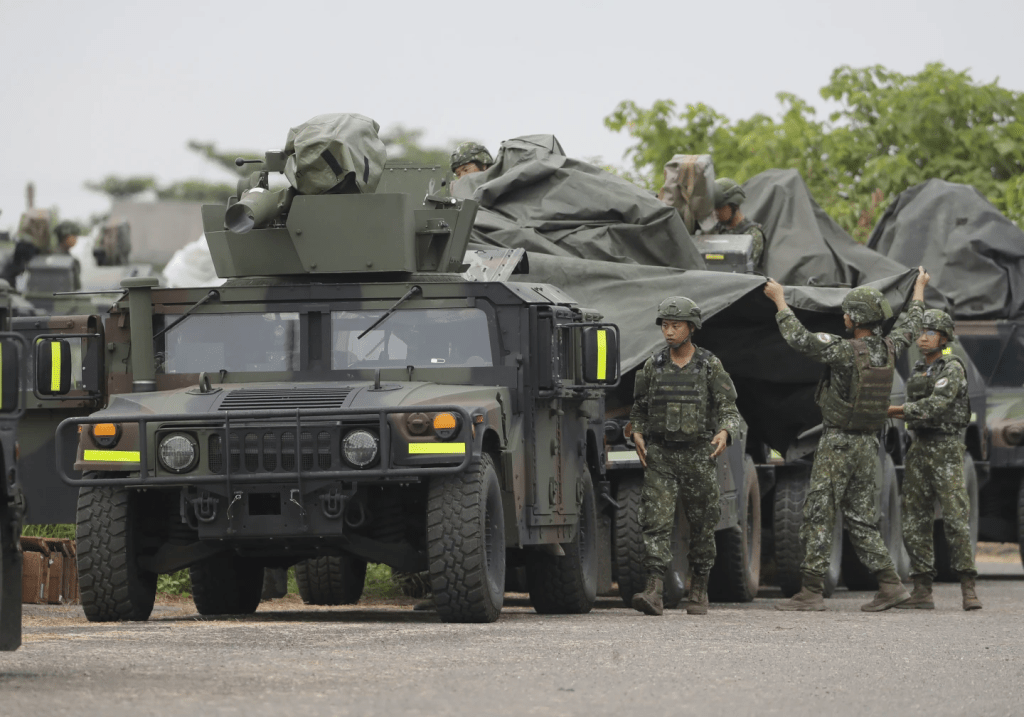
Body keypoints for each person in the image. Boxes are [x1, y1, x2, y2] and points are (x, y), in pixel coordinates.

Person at [765, 268, 929, 611]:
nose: (843, 317)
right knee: (859, 517)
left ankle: (810, 592)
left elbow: (801, 340)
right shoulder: (890, 347)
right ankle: (890, 584)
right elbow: (913, 324)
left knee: (818, 513)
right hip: (870, 445)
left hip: (838, 444)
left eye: (847, 313)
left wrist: (779, 300)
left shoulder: (844, 351)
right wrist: (919, 290)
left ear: (857, 319)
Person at [629, 297, 741, 616]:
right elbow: (639, 407)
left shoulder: (709, 365)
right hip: (661, 455)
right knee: (655, 523)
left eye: (675, 325)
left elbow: (728, 408)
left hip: (697, 455)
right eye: (665, 325)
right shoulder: (654, 365)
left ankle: (700, 589)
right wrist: (637, 431)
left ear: (691, 328)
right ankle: (654, 590)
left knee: (703, 525)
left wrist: (725, 431)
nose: (668, 332)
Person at [888, 310, 981, 611]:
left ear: (943, 337)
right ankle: (922, 588)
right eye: (922, 331)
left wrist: (896, 411)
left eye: (931, 332)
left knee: (955, 519)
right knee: (915, 519)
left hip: (947, 450)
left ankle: (968, 588)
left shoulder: (952, 367)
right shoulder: (918, 369)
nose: (923, 337)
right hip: (920, 448)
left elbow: (937, 405)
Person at [711, 178, 767, 272]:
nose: (716, 212)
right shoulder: (716, 229)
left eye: (720, 207)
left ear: (734, 205)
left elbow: (741, 268)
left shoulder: (752, 234)